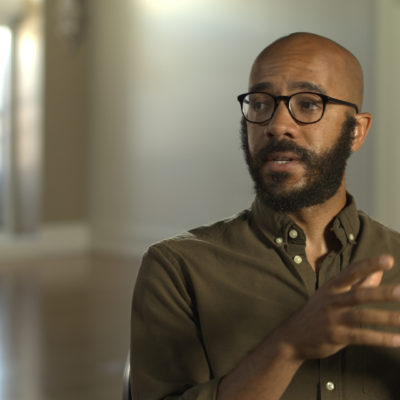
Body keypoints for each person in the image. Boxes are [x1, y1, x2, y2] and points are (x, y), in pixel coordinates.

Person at [130, 32, 400, 400]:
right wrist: (289, 346)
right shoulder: (178, 269)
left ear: (356, 131)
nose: (276, 124)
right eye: (260, 103)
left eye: (308, 104)